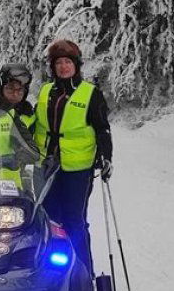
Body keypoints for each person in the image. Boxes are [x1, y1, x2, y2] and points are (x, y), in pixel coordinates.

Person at [27, 39, 113, 273]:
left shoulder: (90, 93)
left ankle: (84, 273)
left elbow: (102, 129)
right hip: (47, 166)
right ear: (53, 67)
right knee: (50, 220)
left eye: (68, 62)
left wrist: (106, 157)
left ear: (76, 65)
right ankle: (54, 272)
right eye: (59, 63)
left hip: (78, 169)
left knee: (74, 221)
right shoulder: (45, 91)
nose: (63, 67)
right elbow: (34, 125)